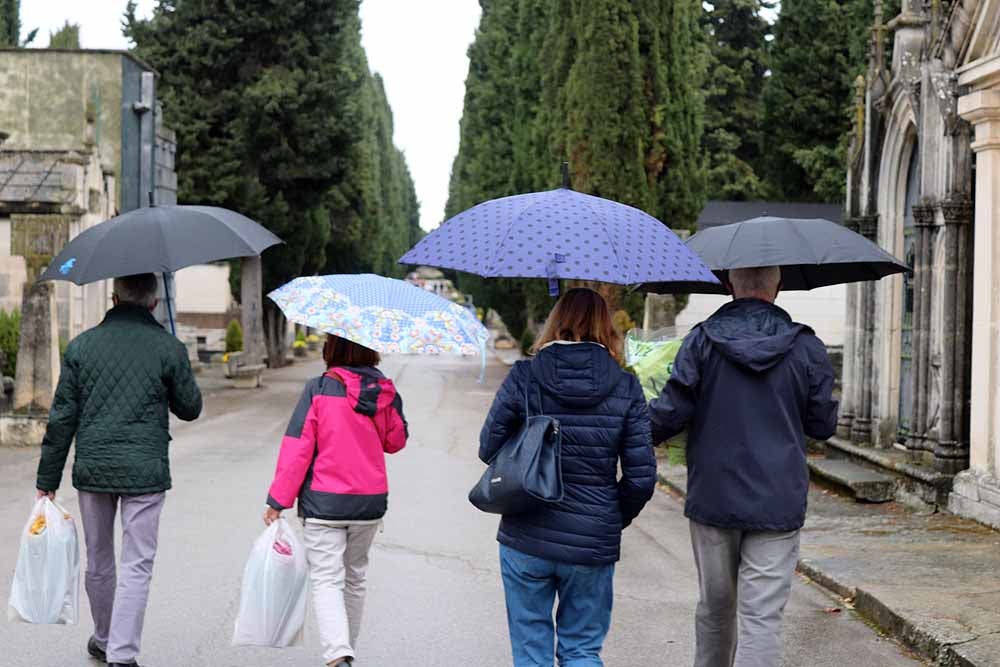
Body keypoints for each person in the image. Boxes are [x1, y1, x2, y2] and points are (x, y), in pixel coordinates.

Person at [648, 266, 839, 667]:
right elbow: (823, 426)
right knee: (761, 618)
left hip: (714, 495)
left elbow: (670, 413)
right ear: (780, 286)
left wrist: (629, 430)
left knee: (716, 608)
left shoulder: (701, 340)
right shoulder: (806, 346)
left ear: (729, 285)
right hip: (778, 498)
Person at [480, 287, 656, 667]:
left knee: (531, 650)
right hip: (592, 540)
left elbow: (487, 447)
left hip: (526, 533)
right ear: (605, 327)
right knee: (582, 651)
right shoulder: (626, 386)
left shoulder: (525, 376)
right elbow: (641, 478)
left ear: (555, 321)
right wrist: (610, 515)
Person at [35, 273, 203, 667]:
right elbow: (190, 408)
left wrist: (47, 479)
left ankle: (105, 637)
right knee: (137, 562)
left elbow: (62, 419)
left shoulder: (81, 347)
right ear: (154, 304)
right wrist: (179, 362)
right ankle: (122, 655)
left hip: (93, 469)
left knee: (99, 559)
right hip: (145, 470)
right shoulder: (168, 347)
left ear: (113, 298)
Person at [264, 334, 408, 667]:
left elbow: (298, 448)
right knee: (354, 578)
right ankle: (345, 653)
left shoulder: (319, 388)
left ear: (332, 348)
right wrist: (393, 406)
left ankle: (338, 655)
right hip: (369, 503)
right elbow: (396, 441)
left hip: (324, 503)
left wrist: (278, 499)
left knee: (327, 579)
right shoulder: (385, 391)